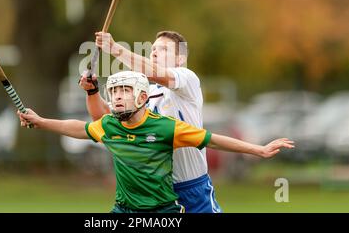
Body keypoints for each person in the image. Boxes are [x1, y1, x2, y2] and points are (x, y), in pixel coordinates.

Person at [20, 71, 294, 213]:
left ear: (141, 97)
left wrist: (258, 149)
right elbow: (80, 128)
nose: (117, 97)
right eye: (114, 91)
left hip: (162, 211)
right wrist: (41, 120)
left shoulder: (165, 127)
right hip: (124, 210)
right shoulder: (110, 125)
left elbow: (213, 140)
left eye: (124, 91)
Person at [78, 30, 222, 212]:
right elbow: (103, 120)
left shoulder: (187, 79)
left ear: (180, 59)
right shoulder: (144, 95)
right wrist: (92, 91)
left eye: (163, 49)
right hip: (155, 195)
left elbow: (155, 73)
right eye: (153, 49)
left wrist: (115, 49)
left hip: (192, 188)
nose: (154, 52)